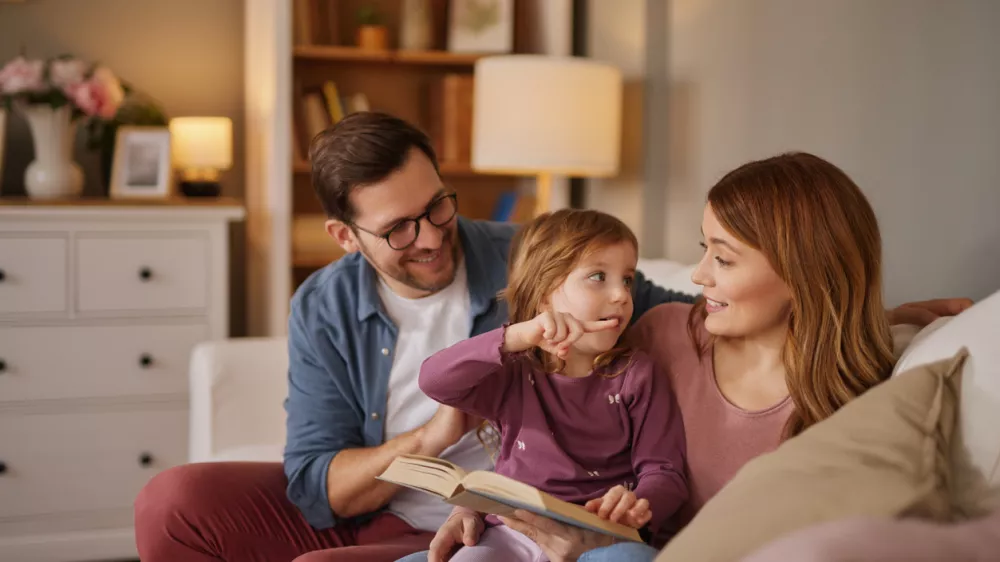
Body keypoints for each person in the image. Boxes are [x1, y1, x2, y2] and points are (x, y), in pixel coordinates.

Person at [132, 112, 694, 562]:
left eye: (437, 207)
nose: (429, 237)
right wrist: (430, 437)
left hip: (493, 524)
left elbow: (678, 308)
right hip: (376, 512)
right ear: (344, 236)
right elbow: (314, 484)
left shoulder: (532, 258)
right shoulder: (325, 304)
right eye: (399, 228)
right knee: (174, 503)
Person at [411, 151, 975, 562]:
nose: (700, 274)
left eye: (723, 259)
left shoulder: (850, 407)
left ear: (803, 274)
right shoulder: (663, 333)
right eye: (703, 249)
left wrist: (598, 543)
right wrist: (482, 505)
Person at [412, 209, 688, 561]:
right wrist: (516, 336)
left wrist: (639, 503)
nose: (621, 294)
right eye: (598, 276)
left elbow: (665, 471)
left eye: (628, 279)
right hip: (513, 533)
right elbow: (434, 380)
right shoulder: (513, 370)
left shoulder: (638, 374)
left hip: (599, 537)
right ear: (544, 295)